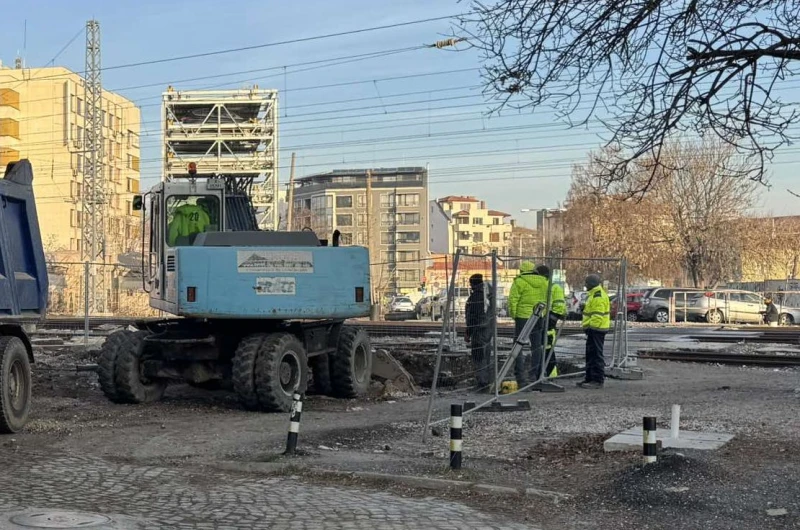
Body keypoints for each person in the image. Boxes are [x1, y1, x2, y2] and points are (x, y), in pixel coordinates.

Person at [508, 261, 549, 387]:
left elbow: (513, 300)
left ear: (521, 271)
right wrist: (543, 313)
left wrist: (514, 315)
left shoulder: (519, 282)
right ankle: (534, 375)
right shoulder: (544, 282)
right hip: (538, 316)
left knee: (518, 346)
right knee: (536, 346)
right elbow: (548, 299)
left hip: (523, 317)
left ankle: (520, 375)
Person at [579, 274, 610, 389]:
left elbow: (597, 315)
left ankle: (597, 380)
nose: (585, 285)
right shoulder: (594, 295)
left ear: (591, 284)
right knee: (591, 354)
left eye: (586, 283)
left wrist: (591, 328)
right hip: (594, 329)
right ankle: (590, 378)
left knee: (596, 354)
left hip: (596, 329)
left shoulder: (598, 296)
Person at [534, 264, 566, 378]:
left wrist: (549, 320)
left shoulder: (549, 287)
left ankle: (548, 374)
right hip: (543, 320)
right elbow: (559, 306)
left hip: (544, 321)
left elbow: (559, 306)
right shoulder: (551, 287)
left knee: (545, 349)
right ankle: (546, 374)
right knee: (545, 349)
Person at [465, 274, 494, 388]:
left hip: (478, 331)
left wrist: (468, 332)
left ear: (473, 284)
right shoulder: (487, 295)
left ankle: (482, 382)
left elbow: (473, 317)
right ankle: (487, 379)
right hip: (488, 329)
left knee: (478, 356)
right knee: (486, 356)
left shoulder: (476, 297)